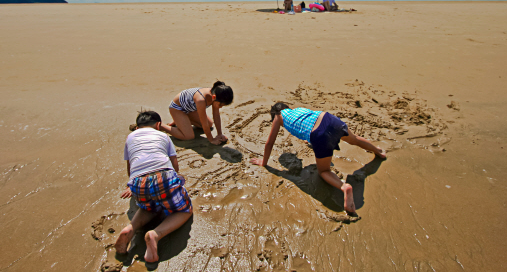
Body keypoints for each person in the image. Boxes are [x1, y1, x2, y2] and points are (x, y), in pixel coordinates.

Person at [250, 102, 386, 216]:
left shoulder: (278, 117)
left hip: (319, 134)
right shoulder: (297, 110)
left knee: (324, 171)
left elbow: (269, 143)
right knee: (354, 139)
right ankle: (378, 151)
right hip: (328, 118)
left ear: (275, 113)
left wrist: (264, 162)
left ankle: (344, 187)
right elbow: (307, 122)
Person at [115, 110, 193, 262]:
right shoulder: (163, 135)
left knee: (148, 207)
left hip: (138, 181)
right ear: (158, 125)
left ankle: (130, 229)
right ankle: (156, 234)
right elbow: (175, 167)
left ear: (137, 128)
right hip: (163, 177)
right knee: (185, 210)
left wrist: (132, 186)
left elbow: (130, 170)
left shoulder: (130, 137)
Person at [161, 81, 233, 145]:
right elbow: (204, 123)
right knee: (188, 136)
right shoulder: (201, 100)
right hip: (177, 109)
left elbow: (216, 116)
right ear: (214, 97)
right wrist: (211, 140)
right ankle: (162, 125)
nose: (220, 107)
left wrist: (220, 134)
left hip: (190, 110)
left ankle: (180, 120)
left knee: (210, 124)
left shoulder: (217, 94)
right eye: (220, 104)